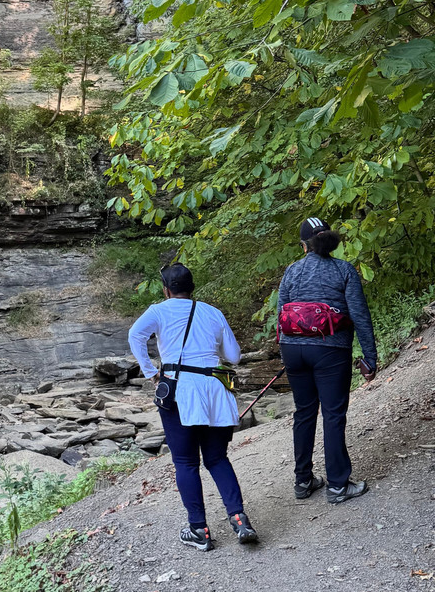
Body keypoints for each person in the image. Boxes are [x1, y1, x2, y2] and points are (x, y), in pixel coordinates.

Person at [128, 263, 255, 551]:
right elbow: (234, 357)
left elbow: (135, 335)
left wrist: (151, 372)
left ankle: (199, 529)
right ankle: (239, 519)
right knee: (217, 459)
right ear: (192, 287)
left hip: (179, 391)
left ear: (166, 289)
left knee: (186, 462)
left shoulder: (159, 311)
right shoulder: (212, 312)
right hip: (214, 390)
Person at [277, 217, 377, 504]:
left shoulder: (291, 271)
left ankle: (303, 480)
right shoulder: (343, 270)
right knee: (333, 415)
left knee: (304, 413)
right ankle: (337, 485)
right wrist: (370, 357)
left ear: (303, 245)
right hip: (331, 349)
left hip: (293, 349)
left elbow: (281, 314)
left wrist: (288, 349)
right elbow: (359, 315)